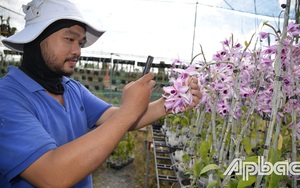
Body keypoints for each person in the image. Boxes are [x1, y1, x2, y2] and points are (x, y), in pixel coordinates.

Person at [0, 0, 201, 187]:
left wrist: (172, 101)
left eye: (80, 43)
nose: (77, 51)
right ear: (36, 39)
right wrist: (128, 110)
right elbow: (51, 174)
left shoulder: (71, 89)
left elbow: (114, 118)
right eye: (70, 39)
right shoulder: (7, 98)